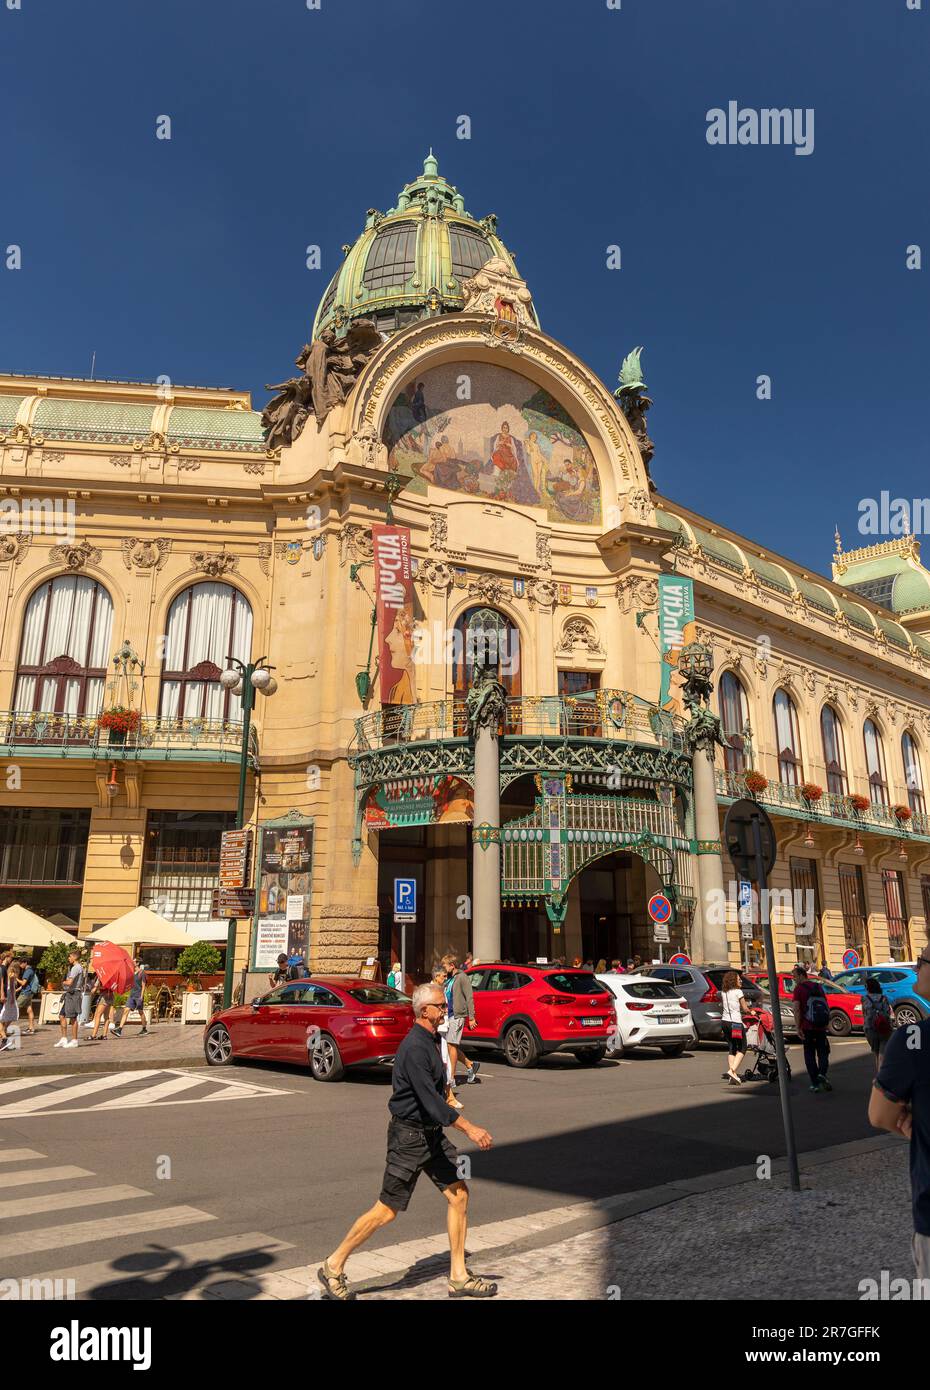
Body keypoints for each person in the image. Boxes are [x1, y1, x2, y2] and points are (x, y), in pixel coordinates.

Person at [318, 981, 496, 1300]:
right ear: (424, 1011)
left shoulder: (431, 1040)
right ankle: (333, 1265)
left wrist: (449, 1094)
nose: (446, 1010)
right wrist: (469, 1128)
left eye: (445, 1005)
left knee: (459, 1195)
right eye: (441, 1006)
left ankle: (458, 1276)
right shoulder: (414, 1047)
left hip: (431, 1135)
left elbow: (435, 1088)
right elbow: (429, 1101)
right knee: (386, 1210)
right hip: (409, 1137)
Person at [869, 946, 930, 1283]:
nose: (916, 967)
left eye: (923, 961)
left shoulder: (914, 1039)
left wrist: (913, 1119)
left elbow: (879, 1115)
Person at [792, 962, 832, 1093]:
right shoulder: (817, 986)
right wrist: (826, 1022)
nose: (793, 979)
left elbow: (797, 1009)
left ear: (801, 976)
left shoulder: (798, 989)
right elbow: (826, 1005)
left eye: (795, 976)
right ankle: (822, 1074)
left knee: (809, 1054)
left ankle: (815, 1083)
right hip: (820, 1026)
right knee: (823, 1052)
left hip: (807, 1026)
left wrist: (798, 1027)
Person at [444, 954, 480, 1088]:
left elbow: (469, 997)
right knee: (450, 1046)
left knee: (451, 1045)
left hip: (457, 1015)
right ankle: (470, 1065)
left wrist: (471, 1017)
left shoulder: (462, 977)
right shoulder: (449, 978)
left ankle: (451, 1078)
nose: (444, 968)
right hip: (448, 1016)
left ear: (452, 965)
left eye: (445, 966)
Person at [432, 967, 461, 1111]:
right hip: (437, 1031)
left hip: (443, 1029)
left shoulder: (441, 989)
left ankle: (448, 1095)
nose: (445, 978)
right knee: (442, 1062)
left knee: (445, 1062)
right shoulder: (432, 990)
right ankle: (447, 1096)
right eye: (443, 976)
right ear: (437, 976)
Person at [721, 969, 750, 1085]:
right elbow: (745, 1008)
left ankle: (732, 1075)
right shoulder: (738, 992)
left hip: (725, 1022)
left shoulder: (724, 992)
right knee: (743, 1047)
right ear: (734, 980)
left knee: (732, 1047)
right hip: (735, 1023)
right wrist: (751, 1012)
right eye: (739, 979)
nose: (741, 981)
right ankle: (732, 1071)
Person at [110, 957, 149, 1038]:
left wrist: (141, 997)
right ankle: (119, 1030)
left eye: (133, 962)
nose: (132, 963)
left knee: (140, 1012)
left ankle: (144, 1028)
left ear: (137, 963)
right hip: (132, 995)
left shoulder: (142, 973)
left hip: (138, 996)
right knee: (126, 1010)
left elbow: (143, 986)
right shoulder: (132, 972)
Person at [862, 975, 893, 1072]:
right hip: (884, 1028)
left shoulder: (864, 999)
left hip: (870, 1029)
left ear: (868, 988)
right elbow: (888, 1013)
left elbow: (864, 1014)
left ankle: (879, 1075)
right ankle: (881, 1075)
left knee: (876, 1052)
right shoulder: (884, 998)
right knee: (882, 1054)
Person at [56, 949, 84, 1049]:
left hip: (73, 994)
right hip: (69, 994)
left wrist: (63, 981)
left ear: (74, 957)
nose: (69, 958)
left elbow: (70, 982)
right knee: (62, 1015)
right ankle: (64, 1039)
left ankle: (74, 1040)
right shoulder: (75, 967)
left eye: (70, 956)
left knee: (73, 1018)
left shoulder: (76, 968)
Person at [16, 956, 40, 1034]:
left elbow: (23, 983)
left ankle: (4, 1028)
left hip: (26, 993)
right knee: (29, 1010)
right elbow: (26, 984)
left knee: (14, 1008)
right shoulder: (31, 970)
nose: (20, 965)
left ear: (25, 963)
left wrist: (15, 978)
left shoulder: (27, 971)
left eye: (21, 963)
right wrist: (16, 990)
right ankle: (31, 1028)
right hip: (30, 992)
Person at [0, 954, 19, 1051]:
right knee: (4, 1016)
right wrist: (10, 997)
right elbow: (9, 986)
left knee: (4, 1016)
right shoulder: (7, 971)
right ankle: (3, 1036)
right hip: (7, 994)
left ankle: (3, 1036)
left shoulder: (5, 970)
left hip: (6, 994)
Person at [89, 973, 115, 1041]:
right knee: (106, 1017)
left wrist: (96, 987)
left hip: (104, 996)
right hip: (111, 996)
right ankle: (104, 1035)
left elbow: (103, 987)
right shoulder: (112, 975)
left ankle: (93, 1035)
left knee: (98, 1015)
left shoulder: (103, 975)